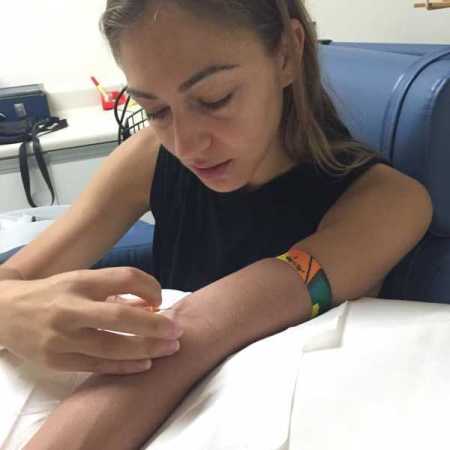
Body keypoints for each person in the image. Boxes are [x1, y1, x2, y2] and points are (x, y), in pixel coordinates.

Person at [0, 0, 432, 448]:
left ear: (287, 53)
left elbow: (198, 329)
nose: (186, 145)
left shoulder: (387, 203)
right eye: (155, 110)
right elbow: (17, 275)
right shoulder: (151, 156)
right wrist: (12, 311)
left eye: (215, 99)